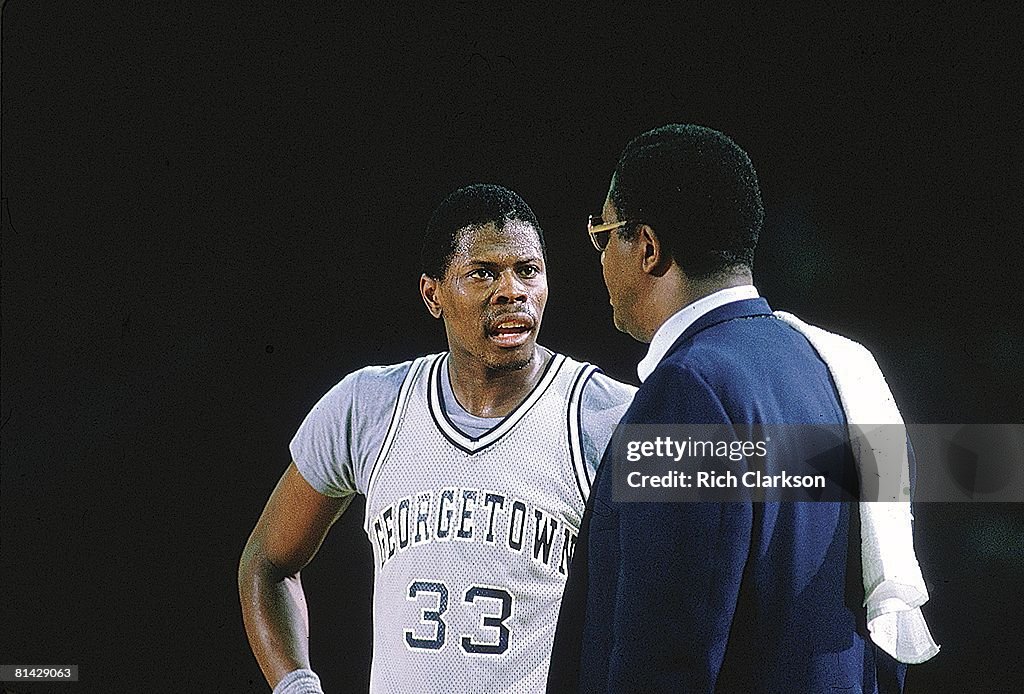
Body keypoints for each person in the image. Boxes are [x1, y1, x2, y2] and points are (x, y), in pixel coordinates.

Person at [547, 124, 912, 693]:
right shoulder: (849, 372)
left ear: (647, 246)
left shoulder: (688, 393)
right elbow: (889, 623)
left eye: (604, 234)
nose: (600, 259)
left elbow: (663, 660)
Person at [238, 183, 636, 694]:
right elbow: (267, 563)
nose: (512, 290)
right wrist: (296, 687)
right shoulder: (368, 406)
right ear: (433, 294)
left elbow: (752, 480)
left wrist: (771, 366)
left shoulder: (604, 414)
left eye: (528, 271)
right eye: (484, 273)